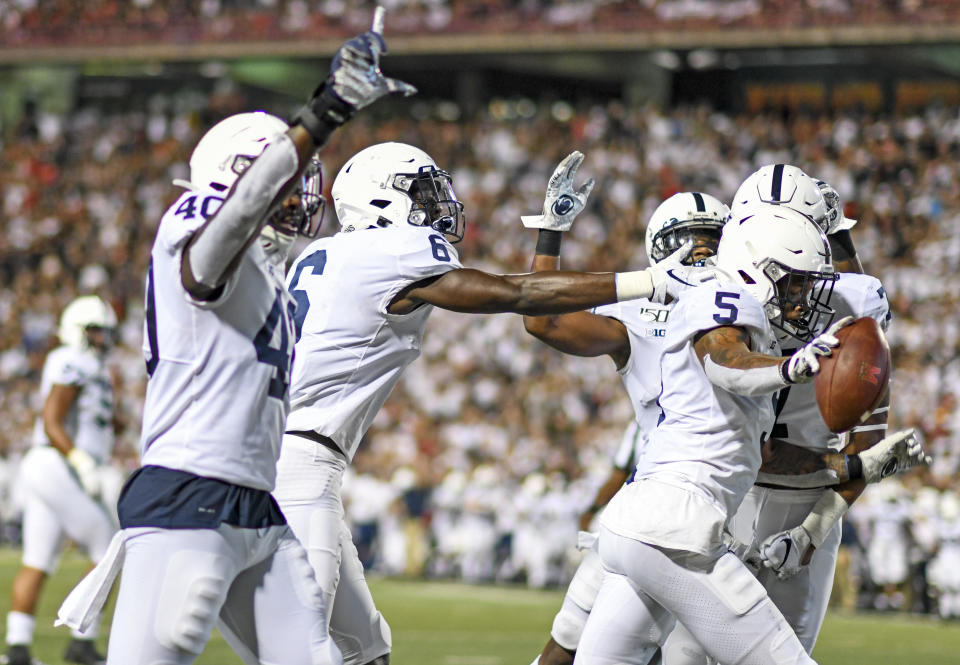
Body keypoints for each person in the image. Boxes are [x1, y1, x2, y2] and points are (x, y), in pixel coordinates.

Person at [56, 14, 415, 665]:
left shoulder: (270, 269)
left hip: (257, 505)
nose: (301, 190)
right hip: (189, 495)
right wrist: (325, 112)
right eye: (285, 173)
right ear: (244, 176)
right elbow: (232, 219)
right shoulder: (191, 228)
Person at [271, 147, 694, 665]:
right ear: (380, 199)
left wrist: (548, 233)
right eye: (420, 190)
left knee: (366, 649)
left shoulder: (324, 256)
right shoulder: (394, 248)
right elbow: (516, 295)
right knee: (303, 651)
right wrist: (646, 280)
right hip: (299, 469)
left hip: (290, 453)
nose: (437, 203)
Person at [521, 185, 729, 665]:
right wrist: (550, 235)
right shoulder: (640, 309)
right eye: (690, 240)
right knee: (568, 643)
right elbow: (542, 323)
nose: (702, 252)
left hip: (722, 501)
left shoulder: (755, 304)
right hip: (653, 495)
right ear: (660, 248)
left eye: (711, 241)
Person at [4, 296, 118, 665]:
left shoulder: (91, 363)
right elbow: (53, 420)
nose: (102, 338)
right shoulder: (73, 359)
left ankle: (17, 649)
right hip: (58, 465)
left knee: (38, 560)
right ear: (77, 329)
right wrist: (82, 462)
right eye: (94, 330)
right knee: (109, 547)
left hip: (51, 466)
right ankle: (81, 642)